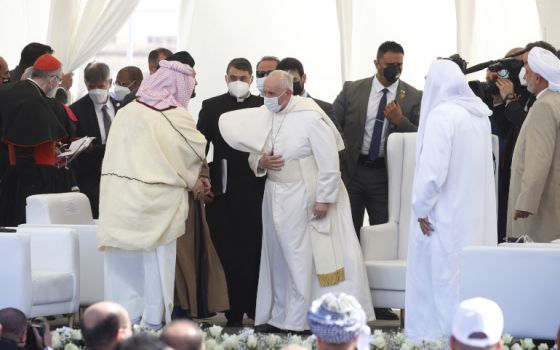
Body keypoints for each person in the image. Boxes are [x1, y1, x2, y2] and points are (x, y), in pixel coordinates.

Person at [219, 70, 374, 332]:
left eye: (270, 94)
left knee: (298, 256)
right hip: (274, 193)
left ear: (287, 93)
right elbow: (255, 153)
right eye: (263, 92)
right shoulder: (267, 114)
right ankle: (280, 314)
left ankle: (299, 318)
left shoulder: (311, 117)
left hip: (303, 196)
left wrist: (324, 199)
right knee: (276, 256)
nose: (265, 98)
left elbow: (329, 162)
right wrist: (261, 162)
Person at [99, 52, 207, 329]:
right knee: (154, 265)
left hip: (119, 200)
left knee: (122, 266)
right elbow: (195, 150)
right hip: (156, 205)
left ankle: (119, 323)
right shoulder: (175, 116)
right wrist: (191, 178)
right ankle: (152, 323)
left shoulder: (125, 112)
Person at [405, 59, 497, 342]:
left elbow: (432, 172)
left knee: (440, 282)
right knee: (468, 282)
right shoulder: (479, 115)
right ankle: (471, 340)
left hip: (441, 216)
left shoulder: (442, 115)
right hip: (474, 215)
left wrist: (421, 209)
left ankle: (438, 340)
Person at [333, 40, 421, 320]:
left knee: (383, 234)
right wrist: (341, 161)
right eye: (390, 65)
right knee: (349, 231)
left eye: (400, 65)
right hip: (353, 172)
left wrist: (400, 120)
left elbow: (420, 135)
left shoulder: (414, 96)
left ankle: (380, 300)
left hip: (386, 175)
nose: (395, 70)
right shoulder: (352, 89)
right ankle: (348, 294)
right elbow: (332, 123)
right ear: (376, 63)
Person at [196, 57, 265, 326]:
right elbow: (199, 147)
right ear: (226, 78)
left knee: (254, 247)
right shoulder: (211, 106)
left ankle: (254, 305)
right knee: (226, 247)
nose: (238, 82)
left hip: (255, 186)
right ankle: (231, 308)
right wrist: (202, 181)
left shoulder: (261, 106)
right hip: (222, 188)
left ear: (251, 79)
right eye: (233, 77)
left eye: (243, 78)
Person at [0, 53, 75, 226]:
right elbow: (26, 144)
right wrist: (35, 182)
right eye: (59, 80)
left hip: (11, 173)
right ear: (53, 80)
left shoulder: (8, 90)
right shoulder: (36, 101)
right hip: (33, 176)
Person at [507, 46, 560, 243]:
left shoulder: (544, 107)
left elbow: (539, 159)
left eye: (528, 71)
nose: (524, 76)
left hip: (538, 211)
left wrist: (525, 203)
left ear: (538, 78)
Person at [70, 62, 120, 218]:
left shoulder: (122, 107)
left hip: (120, 177)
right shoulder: (75, 110)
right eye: (92, 87)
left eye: (101, 86)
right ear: (85, 84)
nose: (96, 91)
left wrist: (96, 149)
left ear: (110, 83)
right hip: (90, 179)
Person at [277, 57, 341, 132]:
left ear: (303, 78)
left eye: (294, 79)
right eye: (285, 81)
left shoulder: (324, 108)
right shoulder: (276, 109)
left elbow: (339, 141)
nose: (290, 84)